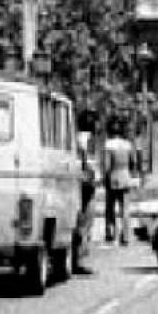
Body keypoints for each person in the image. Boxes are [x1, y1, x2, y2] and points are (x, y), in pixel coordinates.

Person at [101, 119, 138, 244]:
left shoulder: (108, 145)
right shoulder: (127, 145)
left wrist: (104, 177)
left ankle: (110, 232)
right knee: (125, 209)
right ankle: (126, 235)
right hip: (125, 176)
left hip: (113, 177)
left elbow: (107, 165)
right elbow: (133, 162)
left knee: (110, 207)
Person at [73, 112, 98, 274]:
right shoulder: (88, 140)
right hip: (86, 184)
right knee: (85, 222)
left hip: (79, 182)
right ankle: (79, 259)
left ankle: (76, 257)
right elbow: (89, 163)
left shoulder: (75, 137)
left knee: (80, 221)